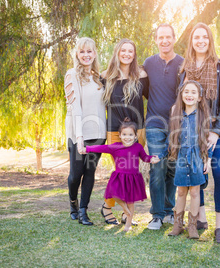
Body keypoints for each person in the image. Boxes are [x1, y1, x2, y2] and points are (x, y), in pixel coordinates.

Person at [178, 23, 220, 244]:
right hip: (191, 131)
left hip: (214, 131)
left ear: (210, 40)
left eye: (205, 37)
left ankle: (219, 227)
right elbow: (180, 101)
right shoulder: (184, 68)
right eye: (196, 37)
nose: (201, 41)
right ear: (191, 41)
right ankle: (199, 218)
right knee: (197, 175)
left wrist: (216, 132)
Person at [99, 38, 149, 226]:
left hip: (137, 131)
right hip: (114, 132)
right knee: (121, 172)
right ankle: (107, 206)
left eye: (131, 51)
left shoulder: (141, 75)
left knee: (131, 172)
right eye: (123, 50)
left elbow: (154, 96)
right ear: (117, 52)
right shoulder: (105, 76)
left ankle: (124, 213)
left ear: (134, 54)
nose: (127, 54)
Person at [83, 119, 160, 232]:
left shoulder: (138, 147)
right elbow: (101, 148)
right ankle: (125, 209)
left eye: (130, 134)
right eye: (124, 134)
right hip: (119, 177)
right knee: (114, 194)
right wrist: (87, 149)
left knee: (130, 201)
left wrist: (152, 159)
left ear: (135, 136)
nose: (127, 137)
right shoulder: (115, 147)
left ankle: (128, 223)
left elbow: (145, 157)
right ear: (119, 135)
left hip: (133, 178)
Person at [143, 24, 184, 230]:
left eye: (168, 37)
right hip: (154, 124)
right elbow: (143, 89)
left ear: (174, 38)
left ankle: (169, 210)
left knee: (171, 169)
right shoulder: (148, 63)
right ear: (156, 39)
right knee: (157, 167)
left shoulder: (183, 63)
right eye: (161, 37)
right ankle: (157, 215)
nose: (164, 41)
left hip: (177, 125)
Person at [64, 37, 106, 225]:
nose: (86, 55)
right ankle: (73, 202)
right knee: (75, 174)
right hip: (78, 132)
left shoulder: (99, 77)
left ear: (95, 54)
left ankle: (83, 211)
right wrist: (79, 137)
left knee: (90, 172)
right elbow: (76, 108)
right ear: (77, 54)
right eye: (82, 51)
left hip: (98, 133)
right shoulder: (72, 74)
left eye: (90, 51)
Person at [165, 81, 212, 239]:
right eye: (186, 92)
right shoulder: (176, 114)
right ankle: (178, 224)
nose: (189, 95)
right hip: (181, 157)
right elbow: (171, 136)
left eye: (193, 92)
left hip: (197, 157)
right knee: (181, 191)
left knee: (195, 191)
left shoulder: (203, 115)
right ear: (181, 94)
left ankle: (192, 225)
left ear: (199, 97)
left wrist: (208, 160)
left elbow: (208, 140)